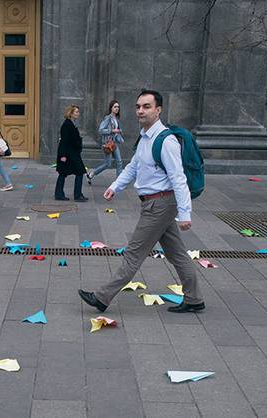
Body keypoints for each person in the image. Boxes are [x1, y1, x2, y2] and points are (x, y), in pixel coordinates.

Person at [78, 89, 204, 314]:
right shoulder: (145, 137)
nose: (140, 111)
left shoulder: (166, 141)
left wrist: (185, 213)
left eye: (146, 106)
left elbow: (178, 178)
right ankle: (194, 299)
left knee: (134, 254)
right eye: (138, 107)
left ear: (158, 110)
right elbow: (134, 166)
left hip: (160, 204)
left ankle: (102, 297)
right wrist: (114, 187)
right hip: (155, 203)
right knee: (177, 254)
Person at [55, 105, 88, 202]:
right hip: (69, 153)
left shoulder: (71, 123)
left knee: (68, 173)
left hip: (73, 152)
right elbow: (64, 141)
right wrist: (63, 155)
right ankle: (75, 195)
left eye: (78, 112)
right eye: (76, 112)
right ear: (71, 113)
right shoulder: (67, 124)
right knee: (76, 172)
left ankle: (62, 194)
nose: (78, 113)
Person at [87, 100, 124, 184]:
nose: (117, 108)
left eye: (118, 107)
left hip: (114, 143)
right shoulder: (108, 118)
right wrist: (112, 130)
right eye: (115, 107)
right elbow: (101, 130)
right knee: (107, 164)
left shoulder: (117, 119)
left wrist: (119, 132)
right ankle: (92, 173)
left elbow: (116, 130)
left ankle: (119, 182)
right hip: (107, 144)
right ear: (111, 108)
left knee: (119, 161)